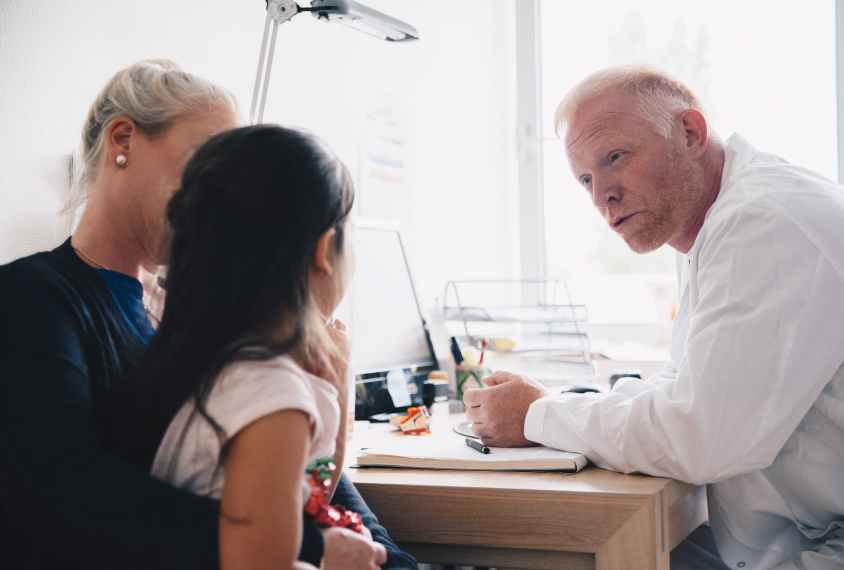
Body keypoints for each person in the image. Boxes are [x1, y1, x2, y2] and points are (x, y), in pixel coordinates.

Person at [0, 59, 414, 570]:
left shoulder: (208, 311)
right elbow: (64, 493)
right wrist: (307, 545)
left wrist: (389, 559)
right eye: (205, 166)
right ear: (123, 140)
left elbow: (284, 462)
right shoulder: (31, 300)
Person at [464, 65, 844, 569]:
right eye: (585, 179)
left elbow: (698, 434)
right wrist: (551, 404)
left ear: (689, 133)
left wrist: (536, 416)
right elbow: (684, 388)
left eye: (615, 158)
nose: (601, 196)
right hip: (796, 531)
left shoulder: (760, 222)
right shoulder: (713, 226)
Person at [103, 123, 362, 570]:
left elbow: (310, 495)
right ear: (323, 249)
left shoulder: (205, 362)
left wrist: (335, 383)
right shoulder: (272, 396)